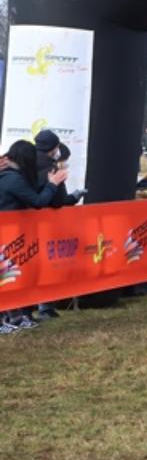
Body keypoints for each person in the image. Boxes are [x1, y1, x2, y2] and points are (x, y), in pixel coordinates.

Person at [0, 141, 68, 333]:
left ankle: (15, 316)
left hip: (11, 235)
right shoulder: (13, 179)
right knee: (6, 278)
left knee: (10, 277)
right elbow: (38, 201)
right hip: (8, 234)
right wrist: (53, 184)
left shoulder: (10, 176)